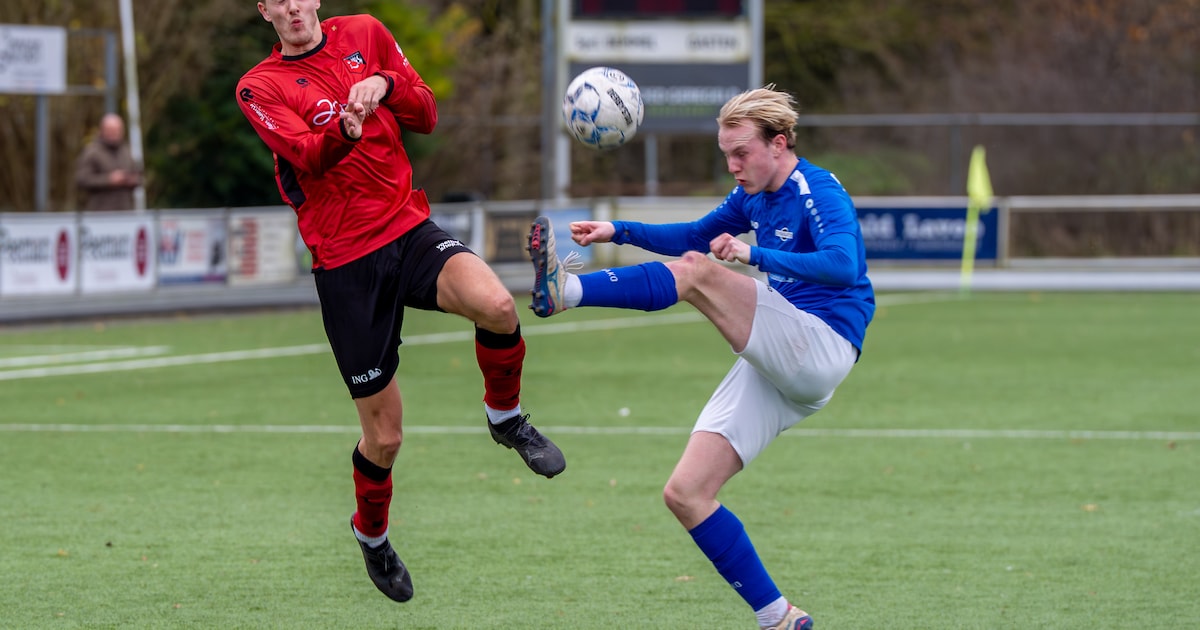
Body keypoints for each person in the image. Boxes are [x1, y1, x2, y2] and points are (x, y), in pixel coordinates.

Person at [236, 0, 565, 603]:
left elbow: (427, 112)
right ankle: (372, 535)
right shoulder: (259, 87)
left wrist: (383, 83)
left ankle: (506, 419)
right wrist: (345, 126)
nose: (291, 7)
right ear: (265, 10)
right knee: (385, 439)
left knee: (496, 305)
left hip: (407, 227)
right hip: (345, 263)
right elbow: (307, 155)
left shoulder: (364, 32)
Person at [526, 86, 875, 630]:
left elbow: (844, 264)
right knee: (686, 493)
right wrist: (618, 230)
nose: (733, 165)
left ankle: (565, 292)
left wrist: (751, 253)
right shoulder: (753, 195)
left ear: (778, 144)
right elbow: (694, 234)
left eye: (742, 153)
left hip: (823, 342)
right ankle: (778, 617)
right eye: (725, 154)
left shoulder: (816, 189)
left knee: (699, 272)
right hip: (784, 359)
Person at [74, 113, 140, 211]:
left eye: (118, 130)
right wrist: (109, 180)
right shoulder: (92, 152)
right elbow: (82, 179)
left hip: (125, 213)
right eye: (111, 130)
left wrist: (131, 180)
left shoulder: (126, 151)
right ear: (102, 130)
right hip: (101, 214)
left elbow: (140, 176)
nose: (115, 133)